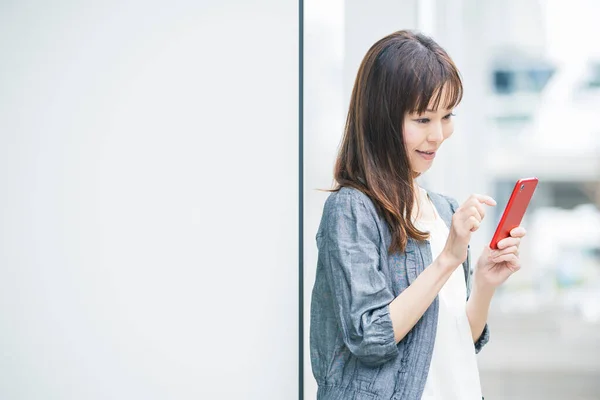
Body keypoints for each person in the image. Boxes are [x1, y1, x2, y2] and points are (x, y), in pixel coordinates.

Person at [309, 30, 526, 400]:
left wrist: (485, 283)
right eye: (423, 120)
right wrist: (446, 261)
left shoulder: (444, 209)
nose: (439, 135)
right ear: (381, 119)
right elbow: (371, 337)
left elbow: (459, 341)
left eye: (446, 116)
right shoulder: (351, 209)